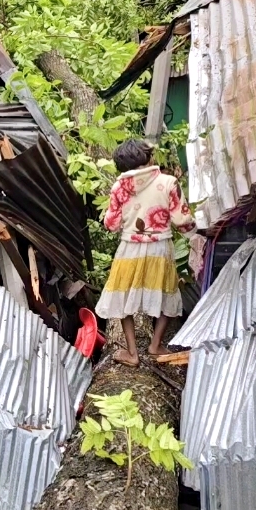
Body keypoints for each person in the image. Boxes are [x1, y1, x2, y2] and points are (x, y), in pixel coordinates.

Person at [95, 139, 195, 366]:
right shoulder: (168, 182)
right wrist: (200, 234)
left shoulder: (119, 187)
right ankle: (155, 344)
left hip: (129, 249)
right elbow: (183, 221)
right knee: (168, 296)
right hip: (160, 249)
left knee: (121, 299)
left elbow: (111, 224)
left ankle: (132, 353)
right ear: (148, 157)